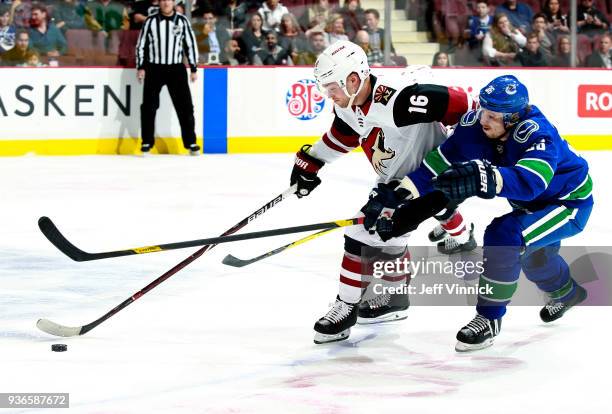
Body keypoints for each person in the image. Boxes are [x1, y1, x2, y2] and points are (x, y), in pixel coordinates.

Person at [288, 41, 476, 344]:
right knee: (392, 233)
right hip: (396, 182)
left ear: (352, 79)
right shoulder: (348, 103)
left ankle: (347, 305)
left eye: (331, 87)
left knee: (364, 234)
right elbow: (343, 135)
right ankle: (397, 295)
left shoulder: (402, 98)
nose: (328, 94)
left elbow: (470, 107)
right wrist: (312, 160)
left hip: (431, 179)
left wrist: (458, 152)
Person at [392, 75, 592, 351]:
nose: (484, 119)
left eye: (493, 116)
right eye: (484, 110)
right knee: (537, 260)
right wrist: (401, 192)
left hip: (567, 204)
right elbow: (439, 162)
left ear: (513, 119)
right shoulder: (477, 124)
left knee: (504, 235)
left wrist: (485, 178)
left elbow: (532, 182)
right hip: (529, 204)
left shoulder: (538, 133)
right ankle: (567, 293)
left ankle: (488, 319)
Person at [135, 0, 200, 155]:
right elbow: (141, 44)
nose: (166, 3)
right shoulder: (150, 21)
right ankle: (147, 142)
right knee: (149, 107)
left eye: (169, 0)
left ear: (173, 2)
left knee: (185, 107)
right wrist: (141, 66)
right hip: (154, 68)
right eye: (163, 0)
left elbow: (190, 44)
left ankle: (191, 142)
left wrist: (193, 67)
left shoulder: (182, 20)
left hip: (176, 69)